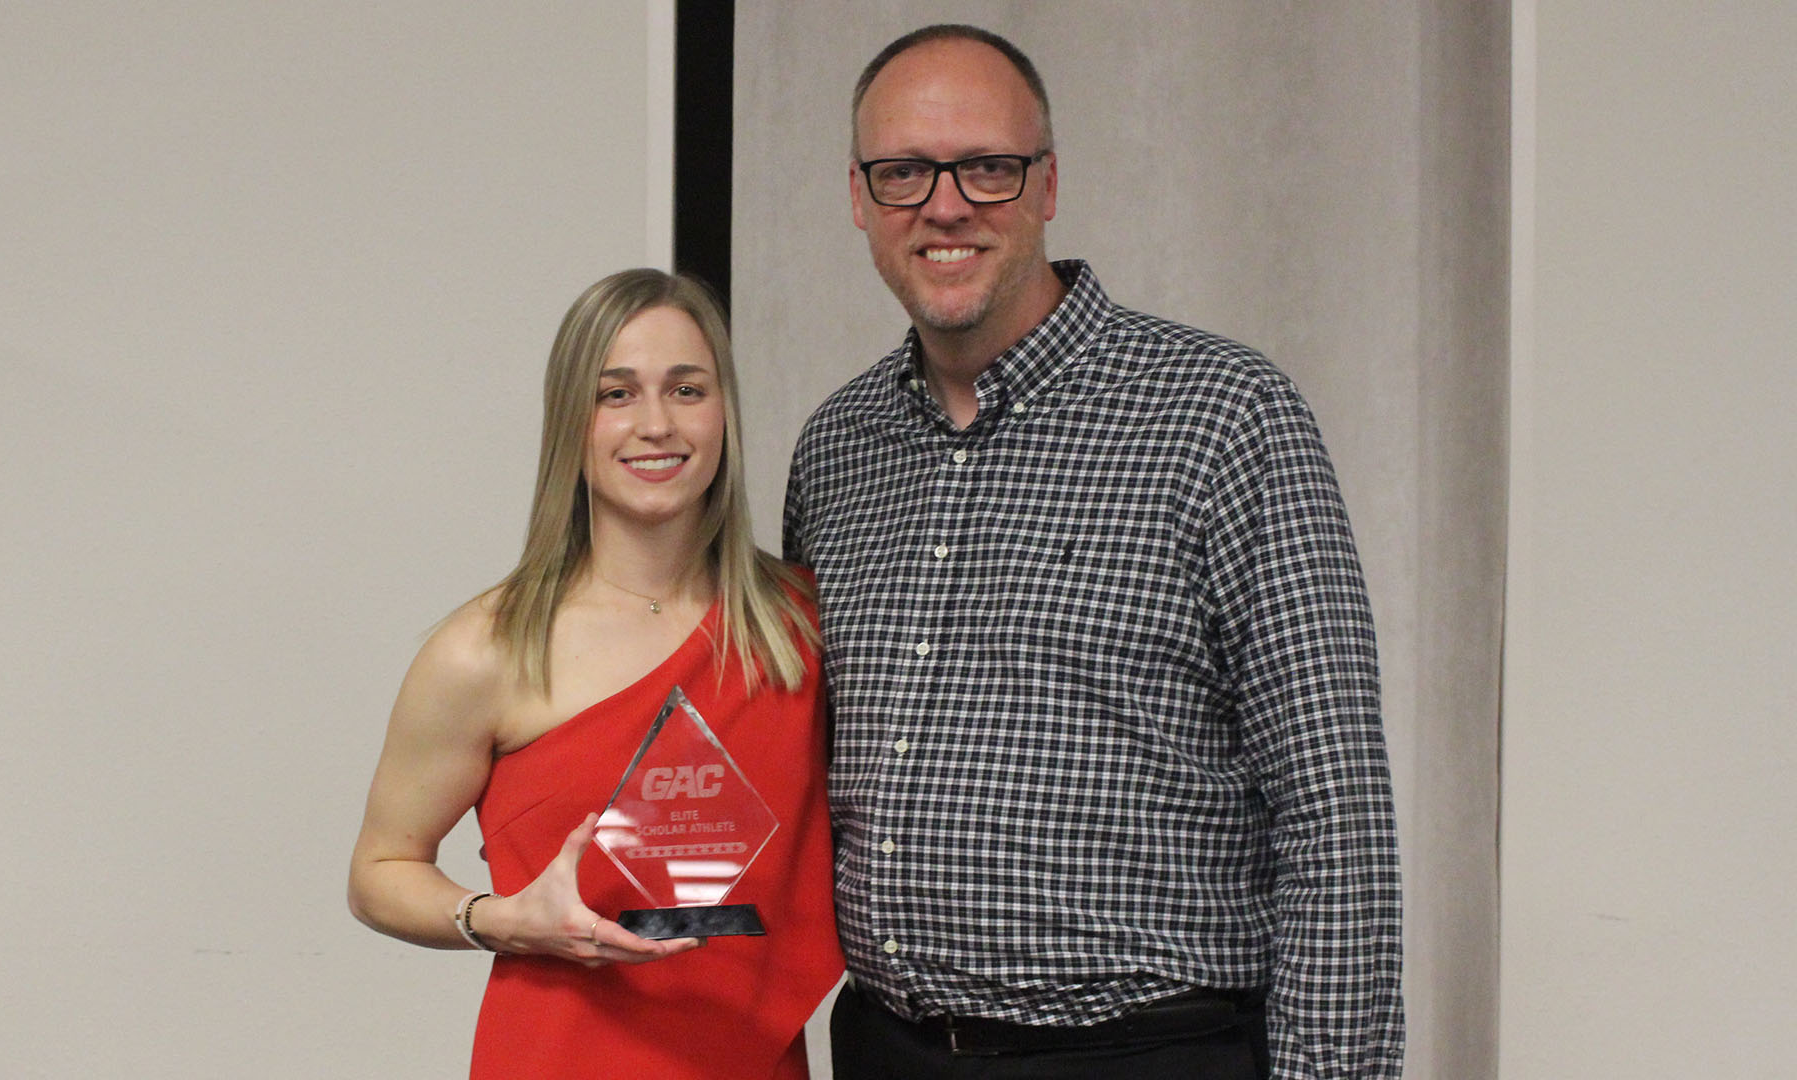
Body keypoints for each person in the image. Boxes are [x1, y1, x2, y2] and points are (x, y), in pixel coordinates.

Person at [783, 24, 1404, 1080]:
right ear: (859, 195)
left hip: (1146, 1052)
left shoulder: (1224, 417)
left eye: (987, 167)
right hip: (887, 1048)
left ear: (1049, 183)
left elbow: (1334, 813)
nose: (944, 205)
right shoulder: (837, 449)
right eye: (903, 172)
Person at [349, 269, 844, 1079]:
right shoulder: (487, 650)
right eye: (616, 394)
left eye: (687, 389)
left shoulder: (801, 627)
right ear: (570, 422)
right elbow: (379, 872)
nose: (656, 424)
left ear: (724, 414)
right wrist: (501, 919)